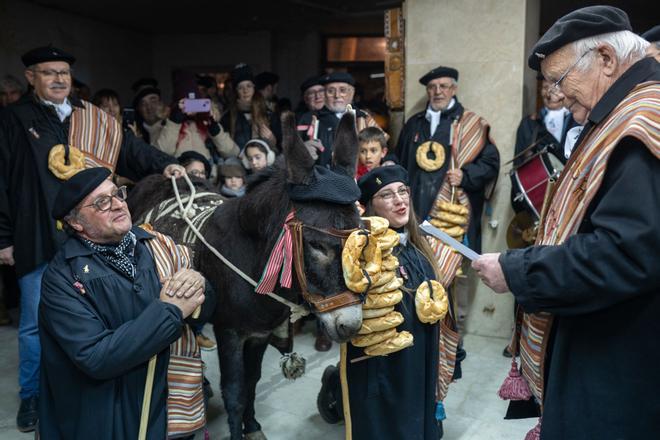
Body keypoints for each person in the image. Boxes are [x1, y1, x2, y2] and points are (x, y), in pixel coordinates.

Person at [472, 6, 660, 439]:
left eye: (561, 81)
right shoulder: (621, 112)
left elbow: (625, 253)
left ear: (607, 59)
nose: (557, 96)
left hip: (619, 361)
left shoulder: (640, 122)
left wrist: (517, 270)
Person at [0, 45, 184, 432]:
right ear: (31, 77)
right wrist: (3, 236)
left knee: (109, 315)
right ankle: (34, 394)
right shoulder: (13, 119)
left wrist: (168, 164)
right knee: (36, 324)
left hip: (94, 236)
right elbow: (1, 180)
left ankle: (122, 395)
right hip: (38, 234)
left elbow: (132, 152)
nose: (59, 79)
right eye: (49, 72)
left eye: (64, 72)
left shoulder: (92, 118)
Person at [40, 167, 214, 439]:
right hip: (110, 415)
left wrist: (199, 282)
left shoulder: (160, 245)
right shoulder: (62, 277)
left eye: (117, 194)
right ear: (76, 223)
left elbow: (205, 310)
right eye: (101, 202)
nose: (118, 204)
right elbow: (95, 356)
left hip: (170, 404)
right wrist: (169, 311)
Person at [320, 165, 444, 439]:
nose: (399, 200)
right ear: (370, 207)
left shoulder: (420, 248)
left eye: (403, 191)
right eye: (386, 195)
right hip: (380, 367)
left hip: (418, 359)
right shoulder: (361, 254)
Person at [396, 66, 499, 327]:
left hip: (451, 212)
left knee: (456, 270)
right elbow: (398, 161)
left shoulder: (471, 123)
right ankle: (420, 320)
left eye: (443, 86)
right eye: (432, 87)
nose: (437, 91)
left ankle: (454, 323)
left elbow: (491, 163)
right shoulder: (414, 124)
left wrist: (466, 175)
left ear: (453, 89)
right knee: (415, 263)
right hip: (416, 210)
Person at [297, 72, 386, 167]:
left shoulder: (363, 117)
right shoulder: (310, 119)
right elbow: (292, 151)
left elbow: (383, 147)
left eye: (342, 90)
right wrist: (302, 151)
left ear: (352, 93)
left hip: (358, 179)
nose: (337, 95)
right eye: (331, 91)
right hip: (322, 178)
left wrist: (388, 160)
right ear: (325, 94)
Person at [154, 98, 239, 163]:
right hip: (179, 175)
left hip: (207, 175)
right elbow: (161, 155)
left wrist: (214, 129)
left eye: (195, 103)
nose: (191, 106)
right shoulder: (165, 124)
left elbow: (232, 153)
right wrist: (174, 122)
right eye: (186, 102)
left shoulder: (208, 122)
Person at [220, 63, 280, 151]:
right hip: (238, 162)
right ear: (236, 91)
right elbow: (224, 145)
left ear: (254, 88)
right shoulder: (227, 117)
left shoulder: (268, 114)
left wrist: (272, 139)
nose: (245, 90)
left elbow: (281, 144)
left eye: (249, 86)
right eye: (240, 87)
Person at [132, 78, 168, 144]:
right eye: (143, 104)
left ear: (161, 102)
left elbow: (192, 105)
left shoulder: (174, 120)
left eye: (153, 101)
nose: (149, 107)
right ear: (138, 108)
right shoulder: (135, 133)